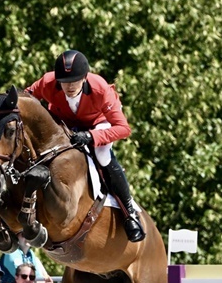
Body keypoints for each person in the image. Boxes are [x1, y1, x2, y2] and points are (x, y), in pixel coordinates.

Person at [26, 49, 145, 242]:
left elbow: (123, 128)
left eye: (74, 81)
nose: (69, 86)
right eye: (64, 82)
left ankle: (129, 212)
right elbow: (23, 98)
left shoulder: (100, 89)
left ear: (84, 78)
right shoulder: (48, 82)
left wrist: (91, 136)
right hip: (66, 123)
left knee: (103, 154)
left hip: (98, 123)